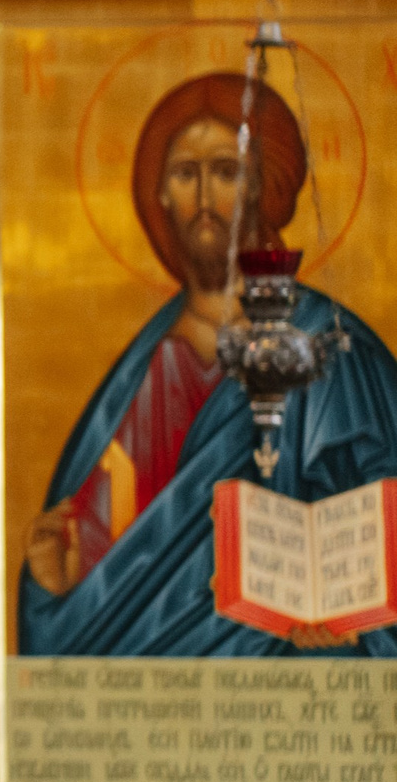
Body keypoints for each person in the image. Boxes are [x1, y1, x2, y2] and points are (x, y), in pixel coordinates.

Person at [21, 73, 397, 657]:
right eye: (185, 173)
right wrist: (57, 580)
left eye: (226, 172)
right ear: (161, 193)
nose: (203, 198)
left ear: (260, 189)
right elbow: (102, 552)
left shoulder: (333, 349)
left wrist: (352, 628)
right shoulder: (144, 370)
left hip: (298, 700)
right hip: (150, 709)